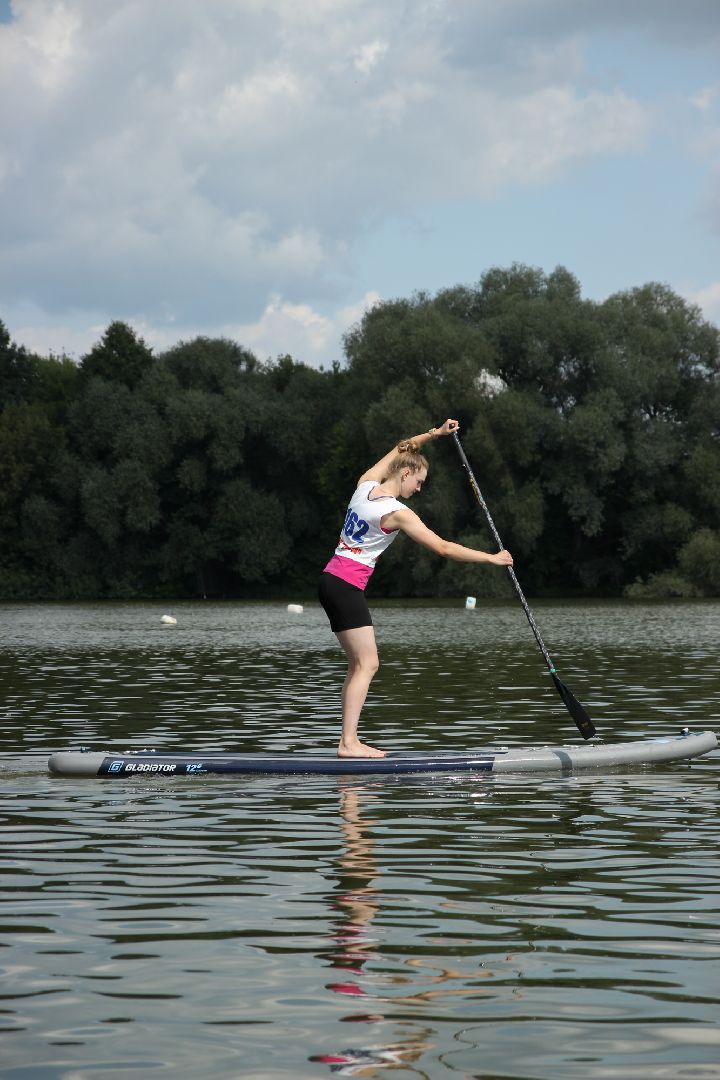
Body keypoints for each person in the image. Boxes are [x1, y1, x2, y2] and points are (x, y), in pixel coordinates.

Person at [318, 418, 513, 758]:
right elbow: (443, 548)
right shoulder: (397, 512)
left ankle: (347, 740)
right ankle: (348, 743)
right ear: (406, 474)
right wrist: (492, 558)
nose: (420, 489)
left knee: (358, 665)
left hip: (330, 581)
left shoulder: (364, 485)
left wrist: (434, 435)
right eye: (419, 482)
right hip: (346, 585)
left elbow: (399, 449)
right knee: (368, 664)